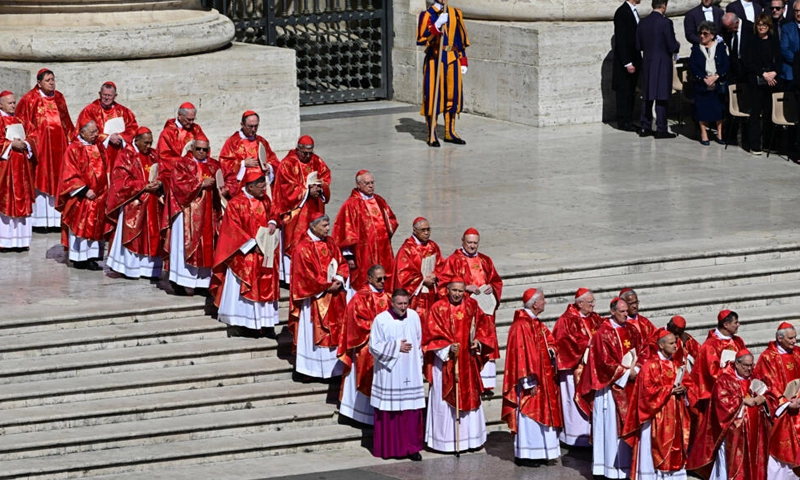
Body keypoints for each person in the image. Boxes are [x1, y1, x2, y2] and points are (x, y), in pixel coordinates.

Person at [423, 279, 493, 453]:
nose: (457, 294)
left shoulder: (472, 305)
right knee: (444, 403)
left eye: (460, 291)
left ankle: (470, 440)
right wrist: (447, 348)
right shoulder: (438, 308)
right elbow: (430, 335)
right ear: (447, 290)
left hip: (468, 362)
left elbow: (484, 327)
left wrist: (479, 342)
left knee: (469, 397)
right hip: (445, 363)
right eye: (454, 290)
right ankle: (445, 442)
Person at [576, 297, 642, 479]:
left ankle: (626, 468)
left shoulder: (631, 329)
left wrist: (636, 368)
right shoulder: (603, 333)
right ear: (612, 311)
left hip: (629, 386)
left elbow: (642, 350)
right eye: (622, 312)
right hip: (610, 389)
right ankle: (607, 469)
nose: (626, 315)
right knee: (610, 430)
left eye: (627, 312)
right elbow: (603, 363)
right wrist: (626, 373)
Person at [210, 170, 280, 337]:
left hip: (266, 253)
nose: (264, 191)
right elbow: (232, 230)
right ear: (250, 187)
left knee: (267, 285)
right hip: (244, 255)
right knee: (247, 288)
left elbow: (274, 212)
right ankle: (245, 324)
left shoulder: (265, 200)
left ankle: (267, 324)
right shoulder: (236, 204)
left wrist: (272, 222)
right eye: (261, 188)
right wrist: (252, 245)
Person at [437, 227, 503, 394]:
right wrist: (465, 288)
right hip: (465, 311)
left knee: (485, 340)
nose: (472, 246)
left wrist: (492, 288)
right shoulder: (453, 260)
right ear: (462, 241)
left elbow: (496, 281)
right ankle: (473, 380)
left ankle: (487, 383)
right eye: (469, 242)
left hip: (485, 311)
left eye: (475, 243)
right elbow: (444, 284)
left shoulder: (486, 260)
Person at [501, 288, 562, 467]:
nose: (545, 302)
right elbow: (520, 355)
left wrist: (551, 349)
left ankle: (540, 452)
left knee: (540, 417)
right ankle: (526, 455)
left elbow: (549, 340)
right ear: (535, 303)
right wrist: (528, 381)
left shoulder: (535, 322)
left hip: (543, 378)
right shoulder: (521, 325)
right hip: (530, 380)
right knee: (530, 418)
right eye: (543, 300)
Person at [687, 349, 769, 480]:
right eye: (746, 366)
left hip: (754, 433)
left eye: (751, 365)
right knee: (729, 466)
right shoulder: (724, 380)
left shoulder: (755, 377)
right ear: (736, 364)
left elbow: (769, 395)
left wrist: (763, 400)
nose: (749, 369)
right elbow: (722, 404)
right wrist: (743, 401)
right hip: (732, 434)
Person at [623, 330, 691, 480]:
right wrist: (669, 390)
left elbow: (688, 381)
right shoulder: (650, 366)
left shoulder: (676, 363)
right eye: (672, 343)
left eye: (676, 342)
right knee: (652, 452)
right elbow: (647, 392)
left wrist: (684, 388)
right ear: (661, 345)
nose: (675, 346)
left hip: (675, 415)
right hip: (656, 417)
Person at [288, 213, 349, 380]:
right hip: (314, 298)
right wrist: (326, 286)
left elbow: (341, 262)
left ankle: (333, 371)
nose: (328, 229)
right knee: (314, 334)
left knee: (334, 332)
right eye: (324, 225)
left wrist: (340, 278)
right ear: (313, 226)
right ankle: (310, 370)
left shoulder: (330, 243)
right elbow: (305, 276)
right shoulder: (302, 247)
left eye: (328, 225)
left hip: (334, 296)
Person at [369, 288, 425, 461]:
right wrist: (395, 347)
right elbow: (374, 346)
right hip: (390, 373)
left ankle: (412, 448)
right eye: (399, 304)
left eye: (405, 303)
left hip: (411, 370)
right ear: (391, 303)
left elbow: (419, 340)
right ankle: (390, 448)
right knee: (391, 412)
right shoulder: (381, 320)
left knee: (411, 410)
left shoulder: (414, 316)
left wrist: (419, 364)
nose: (403, 307)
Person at [162, 136, 221, 295]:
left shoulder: (214, 165)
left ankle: (203, 283)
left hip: (208, 213)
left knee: (207, 247)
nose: (202, 152)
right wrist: (201, 184)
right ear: (192, 148)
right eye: (198, 149)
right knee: (186, 246)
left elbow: (225, 181)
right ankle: (182, 281)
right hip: (187, 212)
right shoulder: (182, 164)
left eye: (205, 149)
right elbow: (179, 186)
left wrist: (224, 188)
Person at [15, 68, 74, 230]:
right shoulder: (29, 99)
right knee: (41, 179)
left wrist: (73, 140)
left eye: (53, 79)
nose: (52, 82)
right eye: (48, 80)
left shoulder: (59, 97)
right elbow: (21, 121)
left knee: (58, 180)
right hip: (40, 148)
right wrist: (29, 141)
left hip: (60, 147)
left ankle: (56, 220)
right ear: (39, 83)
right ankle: (40, 221)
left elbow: (66, 121)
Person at [271, 135, 331, 284]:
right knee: (296, 242)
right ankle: (290, 277)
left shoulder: (316, 161)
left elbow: (326, 176)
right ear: (298, 149)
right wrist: (306, 192)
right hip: (295, 212)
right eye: (305, 153)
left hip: (314, 208)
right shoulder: (287, 163)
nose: (308, 156)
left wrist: (320, 188)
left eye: (310, 153)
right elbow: (285, 187)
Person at [105, 127, 163, 278]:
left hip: (153, 203)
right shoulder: (125, 156)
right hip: (134, 203)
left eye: (151, 143)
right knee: (135, 237)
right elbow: (120, 181)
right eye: (146, 143)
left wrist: (160, 184)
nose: (149, 146)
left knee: (152, 235)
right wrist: (143, 186)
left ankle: (150, 268)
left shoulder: (154, 155)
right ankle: (130, 268)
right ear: (136, 140)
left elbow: (164, 173)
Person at [338, 265, 391, 425]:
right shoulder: (360, 298)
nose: (383, 282)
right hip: (365, 345)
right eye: (379, 279)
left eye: (384, 279)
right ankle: (356, 415)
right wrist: (378, 329)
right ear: (369, 278)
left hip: (385, 347)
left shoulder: (388, 297)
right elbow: (355, 322)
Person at [552, 287, 604, 447]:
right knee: (572, 401)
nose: (593, 305)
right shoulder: (566, 320)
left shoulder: (595, 318)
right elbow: (563, 342)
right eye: (590, 302)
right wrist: (587, 344)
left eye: (593, 301)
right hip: (573, 368)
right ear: (580, 303)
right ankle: (574, 438)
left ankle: (591, 435)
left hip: (592, 368)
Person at [331, 170, 398, 292]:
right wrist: (349, 256)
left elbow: (391, 220)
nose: (371, 186)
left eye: (372, 183)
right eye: (367, 183)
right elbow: (345, 231)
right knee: (364, 281)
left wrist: (384, 232)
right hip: (362, 252)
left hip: (383, 249)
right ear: (358, 185)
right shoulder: (351, 204)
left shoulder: (379, 201)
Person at [56, 120, 108, 271]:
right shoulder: (73, 149)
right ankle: (79, 258)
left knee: (95, 226)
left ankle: (92, 257)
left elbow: (106, 166)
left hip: (99, 195)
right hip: (81, 197)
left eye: (96, 131)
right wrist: (85, 190)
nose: (96, 134)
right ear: (82, 132)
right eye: (92, 132)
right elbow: (69, 174)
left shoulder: (98, 145)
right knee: (81, 226)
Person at [417, 0, 469, 146]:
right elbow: (421, 39)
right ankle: (431, 134)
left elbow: (460, 40)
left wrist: (463, 60)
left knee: (453, 95)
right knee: (433, 96)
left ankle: (450, 132)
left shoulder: (455, 13)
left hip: (452, 58)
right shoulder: (427, 14)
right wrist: (436, 26)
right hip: (435, 58)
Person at [753, 322, 800, 479]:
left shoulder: (798, 353)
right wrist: (786, 403)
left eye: (795, 338)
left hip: (799, 410)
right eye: (791, 338)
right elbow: (767, 385)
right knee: (781, 457)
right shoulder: (767, 358)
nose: (794, 341)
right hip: (782, 413)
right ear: (779, 338)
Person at [688, 309, 747, 426]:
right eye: (735, 322)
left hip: (739, 390)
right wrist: (732, 372)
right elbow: (712, 372)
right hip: (720, 394)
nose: (738, 325)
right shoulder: (710, 345)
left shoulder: (738, 341)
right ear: (725, 325)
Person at [637, 0, 681, 139]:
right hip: (662, 62)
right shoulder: (665, 22)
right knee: (661, 96)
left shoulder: (642, 22)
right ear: (664, 6)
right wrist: (677, 45)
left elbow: (638, 46)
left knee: (647, 96)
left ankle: (645, 126)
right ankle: (661, 128)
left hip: (648, 62)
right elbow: (671, 45)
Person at [392, 217, 445, 324]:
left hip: (431, 292)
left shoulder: (433, 246)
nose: (426, 233)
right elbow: (403, 273)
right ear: (415, 231)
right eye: (423, 230)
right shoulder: (407, 249)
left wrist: (435, 275)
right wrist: (422, 280)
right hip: (417, 295)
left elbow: (441, 265)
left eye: (428, 229)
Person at [743, 13, 782, 156]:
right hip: (756, 80)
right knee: (755, 114)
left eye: (764, 25)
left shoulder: (774, 41)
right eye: (759, 25)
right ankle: (755, 144)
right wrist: (763, 74)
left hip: (771, 81)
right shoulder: (751, 41)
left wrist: (774, 73)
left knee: (769, 113)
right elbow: (748, 62)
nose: (761, 27)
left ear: (768, 26)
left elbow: (779, 60)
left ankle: (768, 143)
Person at [217, 110, 279, 199]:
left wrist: (269, 167)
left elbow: (273, 160)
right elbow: (224, 162)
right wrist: (242, 163)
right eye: (250, 126)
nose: (253, 129)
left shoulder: (261, 141)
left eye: (256, 126)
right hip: (242, 186)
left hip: (260, 186)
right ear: (242, 124)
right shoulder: (233, 142)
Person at [0, 90, 35, 250]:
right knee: (5, 202)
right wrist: (10, 145)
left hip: (22, 170)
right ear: (1, 104)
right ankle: (5, 241)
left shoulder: (20, 119)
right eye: (10, 103)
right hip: (5, 170)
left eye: (14, 102)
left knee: (23, 200)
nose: (13, 105)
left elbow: (34, 135)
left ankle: (21, 241)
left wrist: (26, 144)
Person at [75, 82, 138, 167]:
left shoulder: (123, 111)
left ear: (115, 96)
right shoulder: (89, 111)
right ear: (99, 94)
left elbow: (133, 128)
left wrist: (120, 137)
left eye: (110, 95)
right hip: (99, 152)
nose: (107, 98)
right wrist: (108, 138)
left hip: (119, 151)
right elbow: (83, 132)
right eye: (104, 95)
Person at [689, 21, 730, 146]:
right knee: (702, 110)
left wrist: (716, 77)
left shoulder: (721, 47)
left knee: (718, 109)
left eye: (705, 33)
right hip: (702, 83)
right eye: (700, 33)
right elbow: (693, 66)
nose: (702, 36)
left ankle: (719, 134)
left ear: (712, 35)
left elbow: (725, 64)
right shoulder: (696, 49)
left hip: (717, 83)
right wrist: (703, 78)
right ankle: (704, 133)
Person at [613, 0, 642, 132]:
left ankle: (629, 119)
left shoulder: (634, 11)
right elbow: (621, 39)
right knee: (624, 92)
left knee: (631, 91)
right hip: (626, 62)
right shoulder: (622, 12)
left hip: (635, 58)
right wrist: (627, 62)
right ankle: (623, 121)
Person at [155, 102, 207, 172]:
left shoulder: (196, 129)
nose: (191, 122)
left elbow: (205, 147)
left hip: (197, 168)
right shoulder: (167, 133)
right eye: (189, 119)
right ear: (179, 115)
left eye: (193, 119)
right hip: (176, 171)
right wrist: (185, 163)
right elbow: (164, 157)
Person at [780, 1, 800, 86]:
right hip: (793, 71)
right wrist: (798, 61)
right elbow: (784, 49)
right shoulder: (787, 28)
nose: (798, 13)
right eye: (796, 11)